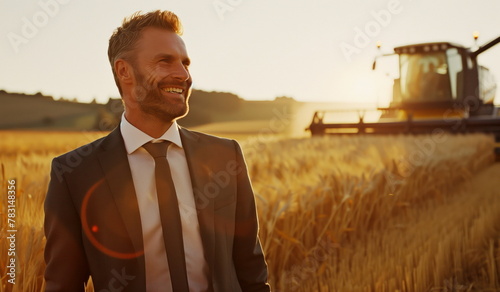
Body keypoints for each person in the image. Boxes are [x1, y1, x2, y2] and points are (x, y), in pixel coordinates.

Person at [43, 10, 270, 292]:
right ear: (124, 71)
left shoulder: (225, 156)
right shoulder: (75, 173)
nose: (183, 74)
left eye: (186, 63)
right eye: (165, 61)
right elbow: (63, 284)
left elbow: (252, 273)